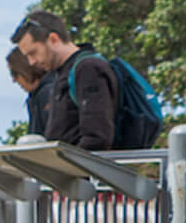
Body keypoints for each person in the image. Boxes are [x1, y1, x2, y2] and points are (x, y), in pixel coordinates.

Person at [14, 11, 120, 149]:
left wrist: (67, 167)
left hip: (84, 168)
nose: (31, 62)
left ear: (53, 39)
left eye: (33, 53)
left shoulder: (87, 69)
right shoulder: (63, 74)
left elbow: (96, 138)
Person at [7, 47, 46, 142]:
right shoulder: (35, 97)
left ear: (24, 69)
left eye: (14, 74)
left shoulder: (48, 93)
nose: (14, 80)